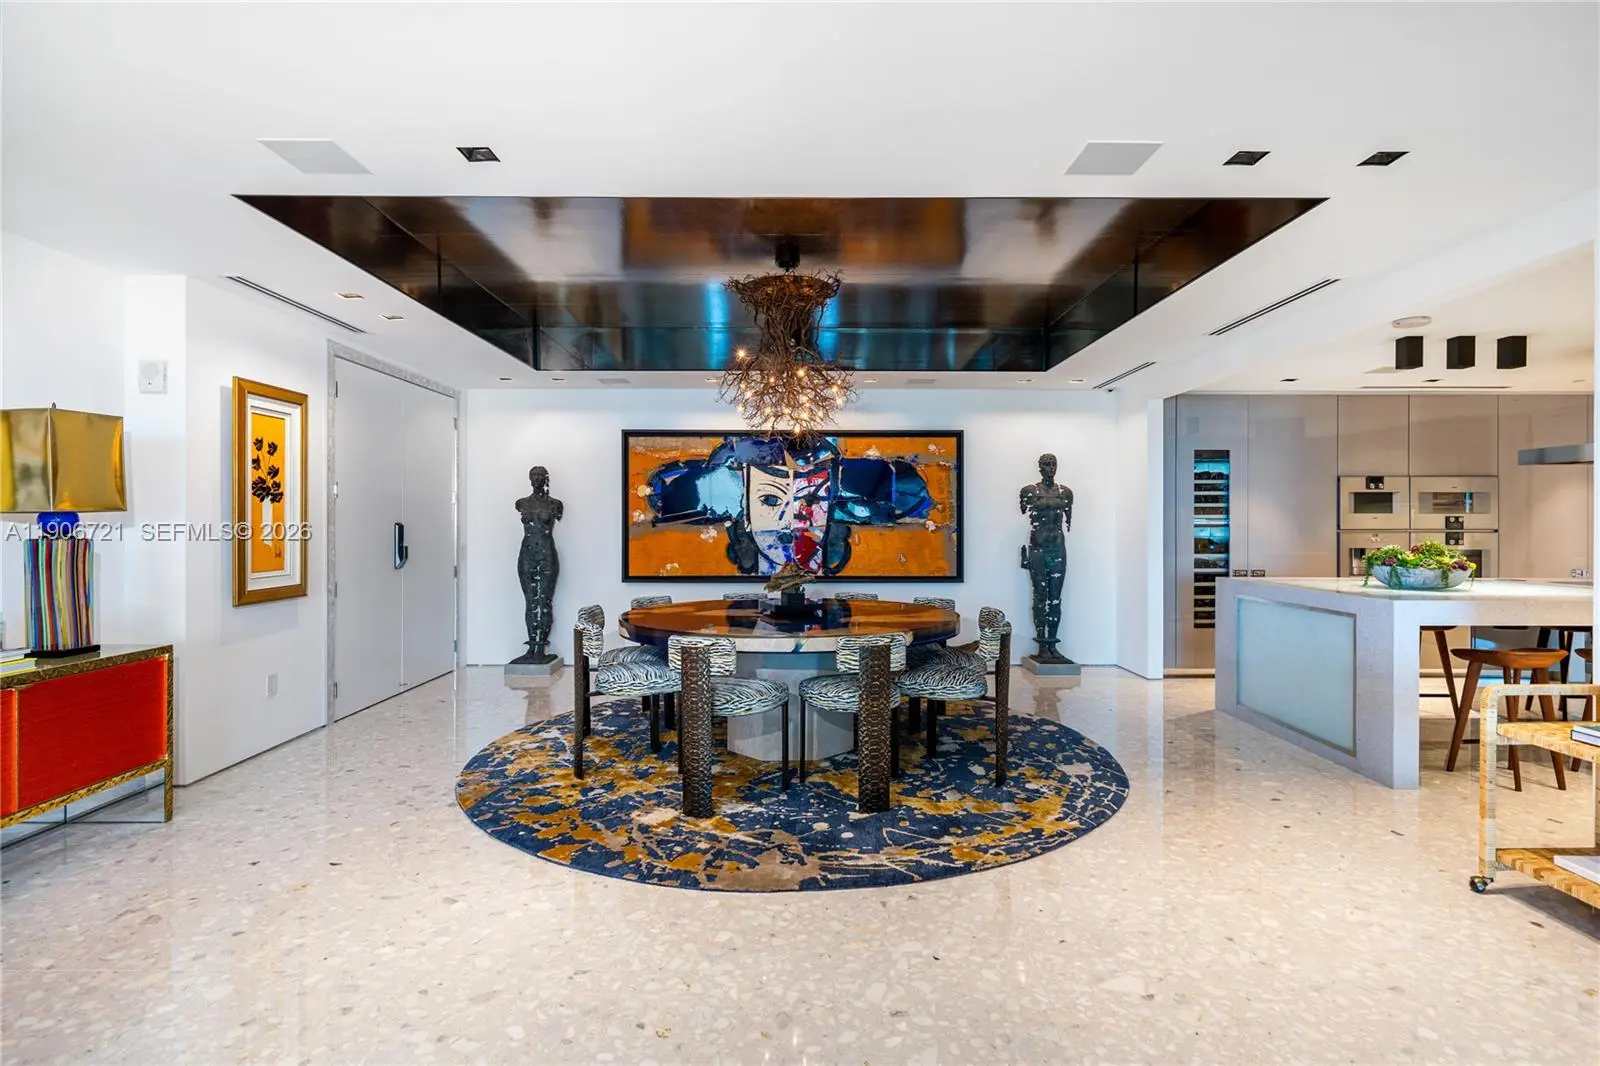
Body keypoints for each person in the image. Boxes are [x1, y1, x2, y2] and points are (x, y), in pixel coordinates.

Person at [1019, 453, 1073, 662]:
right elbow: (1024, 511)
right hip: (1038, 548)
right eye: (1047, 465)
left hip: (1057, 548)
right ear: (1039, 467)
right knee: (1040, 595)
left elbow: (1067, 521)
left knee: (1056, 597)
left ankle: (1053, 644)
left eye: (1053, 464)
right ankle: (1042, 644)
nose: (1051, 468)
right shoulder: (1030, 491)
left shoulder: (1065, 492)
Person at [515, 466, 562, 658]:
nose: (537, 478)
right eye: (534, 475)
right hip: (527, 553)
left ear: (546, 478)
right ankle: (531, 646)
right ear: (529, 478)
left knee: (545, 600)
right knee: (530, 600)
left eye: (541, 475)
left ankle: (541, 646)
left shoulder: (554, 504)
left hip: (547, 553)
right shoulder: (521, 503)